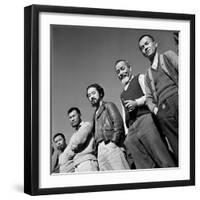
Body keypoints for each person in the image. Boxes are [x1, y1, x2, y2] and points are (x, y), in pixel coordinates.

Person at [114, 59, 176, 169]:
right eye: (118, 71)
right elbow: (124, 114)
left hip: (145, 120)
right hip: (132, 130)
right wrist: (127, 133)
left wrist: (136, 103)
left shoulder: (140, 78)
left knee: (161, 156)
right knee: (144, 165)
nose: (121, 73)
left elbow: (149, 95)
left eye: (123, 69)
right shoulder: (122, 95)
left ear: (130, 68)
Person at [138, 34, 178, 163]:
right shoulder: (148, 74)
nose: (145, 47)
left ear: (155, 44)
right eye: (142, 47)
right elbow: (149, 98)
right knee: (177, 145)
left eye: (147, 43)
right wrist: (156, 110)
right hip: (164, 111)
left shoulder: (168, 56)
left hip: (178, 99)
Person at [86, 83, 130, 171]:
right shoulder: (94, 115)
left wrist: (114, 142)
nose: (91, 97)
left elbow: (118, 123)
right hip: (100, 151)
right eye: (89, 95)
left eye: (93, 93)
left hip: (111, 145)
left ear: (100, 93)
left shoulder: (108, 105)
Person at [59, 107, 98, 173]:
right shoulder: (74, 135)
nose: (72, 119)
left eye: (74, 116)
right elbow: (66, 155)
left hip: (87, 162)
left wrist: (71, 151)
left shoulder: (86, 125)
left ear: (79, 115)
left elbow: (76, 144)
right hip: (77, 165)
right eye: (70, 117)